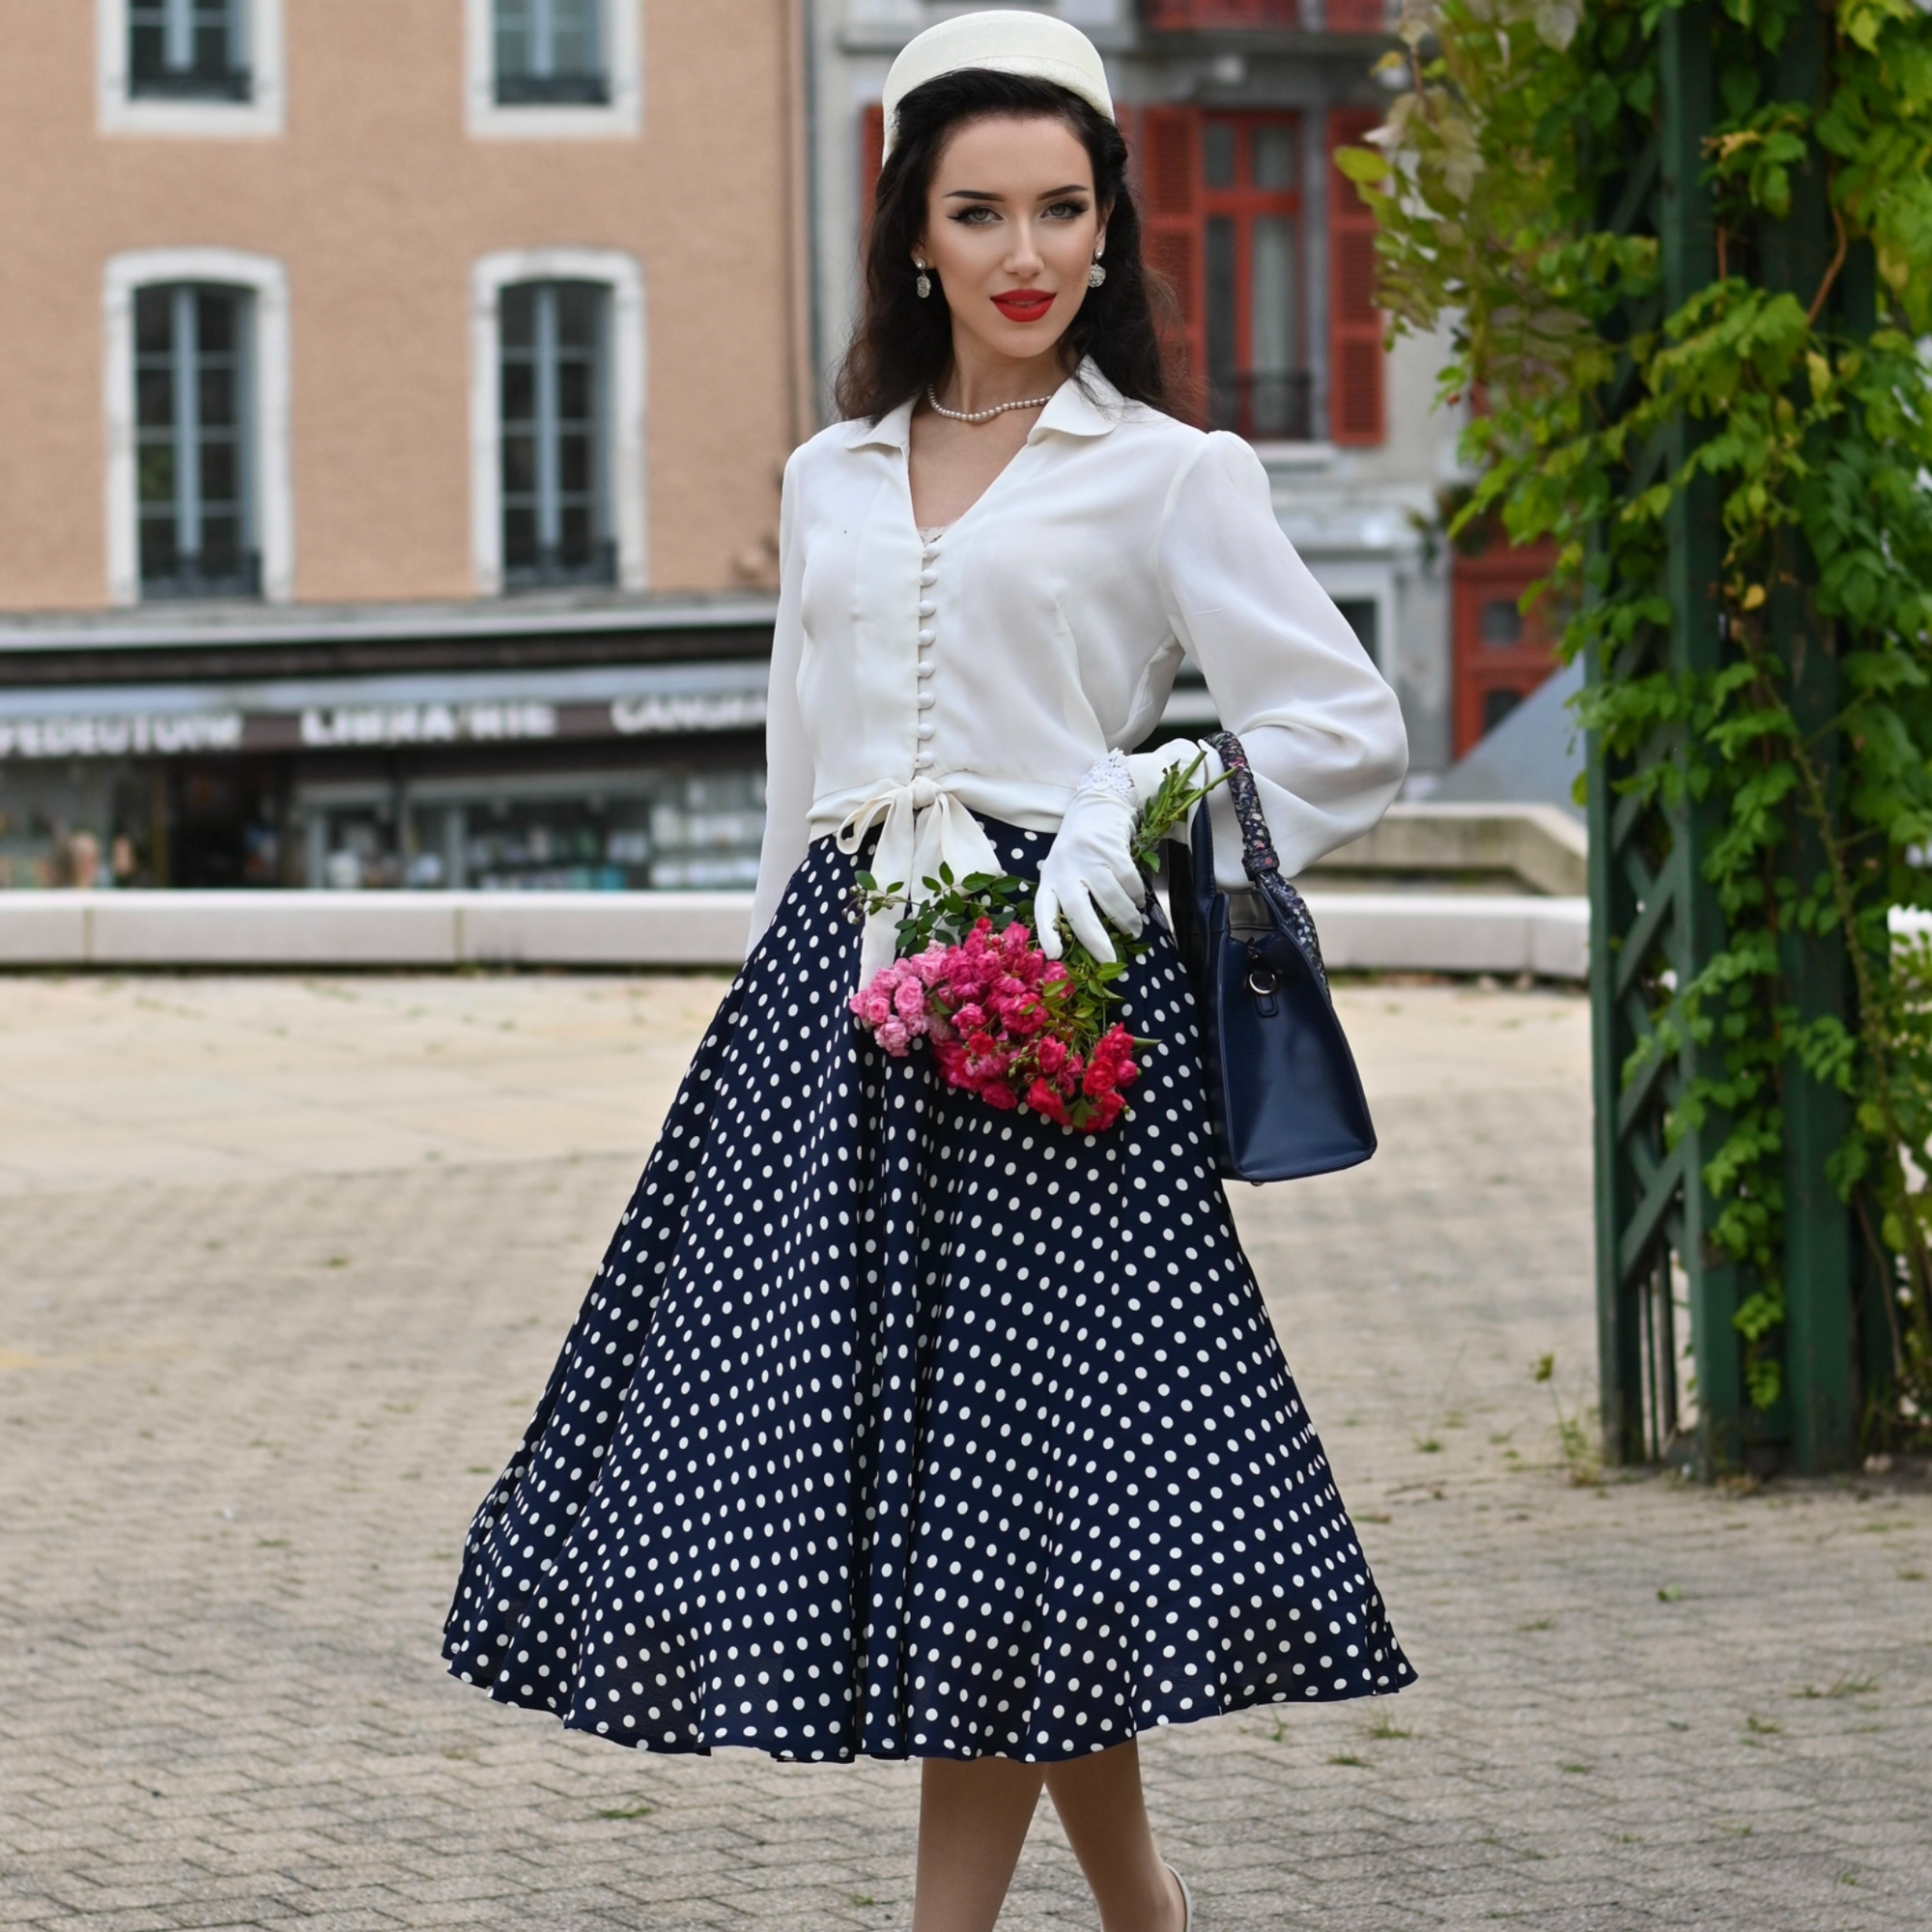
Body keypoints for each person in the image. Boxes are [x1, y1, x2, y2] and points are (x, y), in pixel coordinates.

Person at [443, 14, 1413, 1928]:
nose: (1027, 250)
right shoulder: (826, 478)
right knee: (976, 1525)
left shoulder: (1169, 474)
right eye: (980, 211)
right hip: (839, 1010)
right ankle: (1144, 1919)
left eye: (1064, 207)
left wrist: (1150, 804)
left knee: (1011, 1511)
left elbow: (1351, 729)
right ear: (913, 234)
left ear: (1110, 228)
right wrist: (757, 1026)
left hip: (1053, 1024)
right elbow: (796, 773)